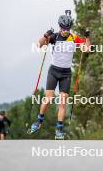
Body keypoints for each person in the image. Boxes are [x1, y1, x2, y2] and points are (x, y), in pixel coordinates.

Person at [31, 10, 91, 139]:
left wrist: (87, 38)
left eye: (68, 29)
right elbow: (39, 45)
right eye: (64, 28)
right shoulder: (55, 37)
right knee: (49, 98)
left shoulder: (74, 38)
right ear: (60, 27)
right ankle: (39, 120)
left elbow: (87, 49)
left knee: (63, 102)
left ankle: (59, 129)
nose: (66, 31)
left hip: (66, 73)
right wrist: (46, 35)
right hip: (53, 71)